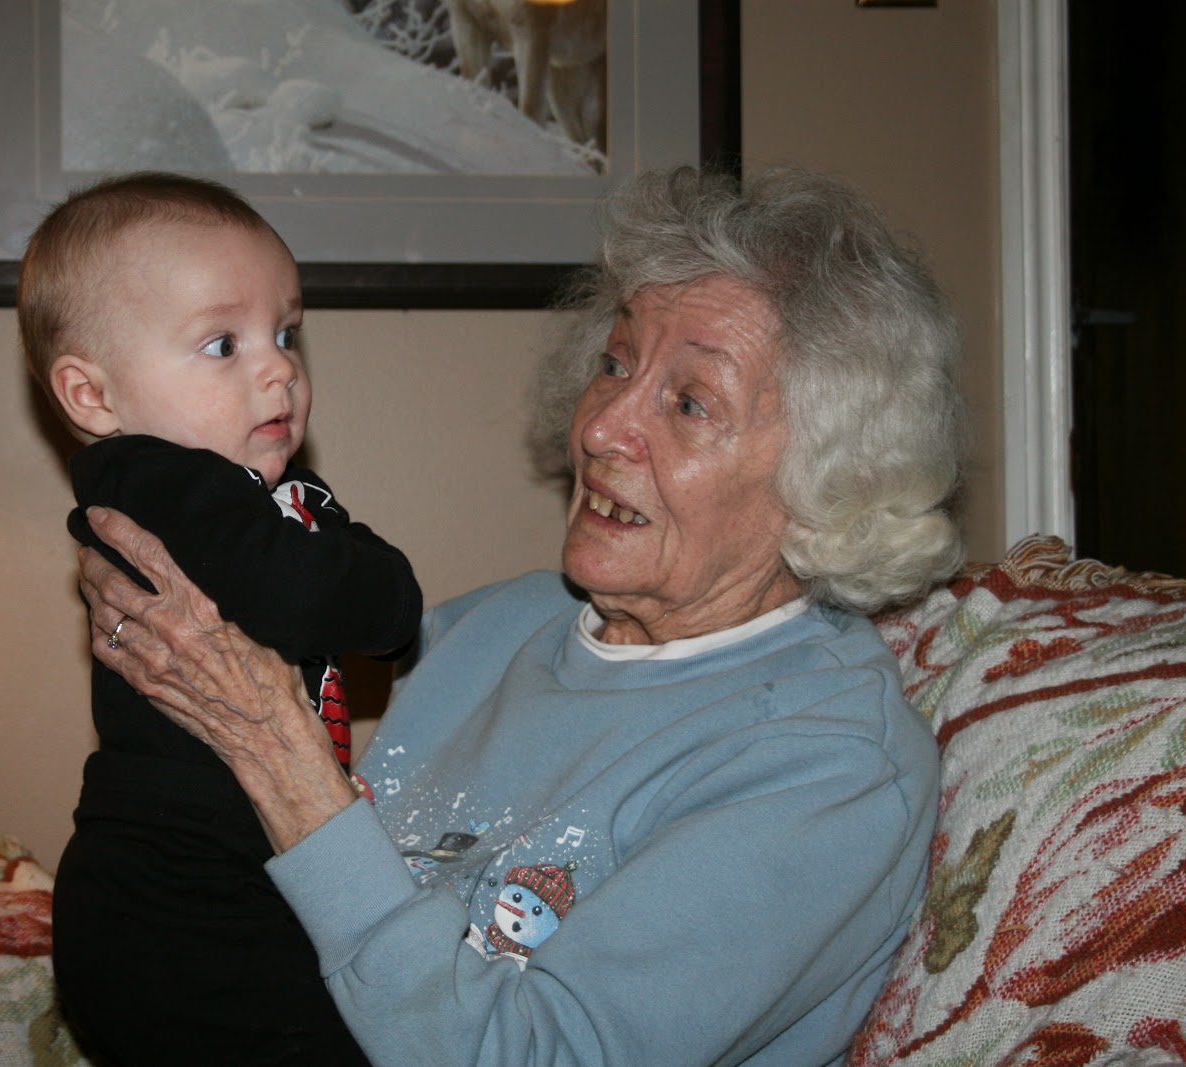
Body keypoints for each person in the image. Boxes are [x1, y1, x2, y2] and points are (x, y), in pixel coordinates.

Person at [75, 164, 967, 1066]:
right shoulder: (503, 624)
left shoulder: (828, 765)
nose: (602, 427)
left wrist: (275, 748)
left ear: (832, 480)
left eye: (690, 402)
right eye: (615, 363)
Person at [18, 172, 421, 1064]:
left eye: (286, 333)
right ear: (92, 397)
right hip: (172, 899)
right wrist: (379, 584)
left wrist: (372, 586)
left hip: (241, 875)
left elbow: (377, 614)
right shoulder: (153, 482)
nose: (279, 367)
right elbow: (324, 596)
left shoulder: (272, 498)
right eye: (222, 343)